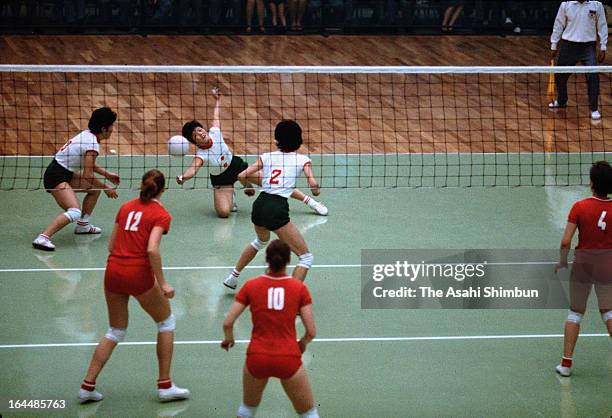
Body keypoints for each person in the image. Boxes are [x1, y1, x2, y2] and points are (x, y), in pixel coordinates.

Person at [78, 169, 190, 403]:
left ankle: (87, 386)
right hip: (137, 274)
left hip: (113, 271)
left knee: (115, 330)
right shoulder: (161, 215)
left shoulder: (126, 207)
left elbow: (111, 245)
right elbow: (151, 249)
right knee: (166, 322)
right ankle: (165, 385)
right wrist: (163, 284)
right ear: (163, 190)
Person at [177, 88, 328, 218]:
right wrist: (183, 177)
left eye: (199, 129)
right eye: (195, 134)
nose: (200, 133)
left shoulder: (215, 132)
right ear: (194, 141)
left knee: (278, 185)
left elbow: (216, 116)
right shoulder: (201, 155)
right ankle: (231, 193)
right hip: (221, 179)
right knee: (224, 213)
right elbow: (193, 170)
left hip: (238, 167)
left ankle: (312, 202)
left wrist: (217, 100)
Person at [221, 239, 319, 418]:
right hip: (288, 357)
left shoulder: (251, 286)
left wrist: (229, 339)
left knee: (246, 410)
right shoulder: (299, 289)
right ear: (288, 260)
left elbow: (228, 322)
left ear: (266, 259)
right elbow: (311, 331)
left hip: (257, 357)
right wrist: (303, 343)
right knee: (308, 413)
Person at [223, 119, 321, 289]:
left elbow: (241, 175)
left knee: (260, 241)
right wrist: (315, 190)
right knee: (306, 258)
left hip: (259, 205)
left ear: (276, 140)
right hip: (277, 208)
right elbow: (313, 185)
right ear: (299, 141)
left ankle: (233, 276)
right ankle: (291, 297)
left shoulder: (266, 157)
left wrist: (248, 188)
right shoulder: (303, 160)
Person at [32, 107, 120, 251]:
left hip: (64, 172)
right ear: (104, 129)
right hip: (56, 177)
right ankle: (43, 238)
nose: (112, 129)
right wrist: (107, 188)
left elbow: (87, 164)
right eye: (111, 126)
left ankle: (83, 226)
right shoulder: (92, 145)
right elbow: (88, 175)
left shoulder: (87, 135)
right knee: (74, 211)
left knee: (94, 190)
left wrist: (107, 174)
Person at [554, 161, 612, 377]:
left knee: (575, 313)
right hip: (607, 266)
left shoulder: (580, 207)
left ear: (591, 183)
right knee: (608, 312)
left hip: (583, 267)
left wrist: (562, 261)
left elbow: (565, 240)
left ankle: (566, 365)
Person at [549, 0, 608, 120]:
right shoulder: (566, 4)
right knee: (560, 76)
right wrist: (554, 45)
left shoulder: (597, 5)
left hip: (588, 47)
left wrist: (603, 47)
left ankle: (594, 109)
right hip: (568, 46)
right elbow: (558, 24)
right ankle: (561, 101)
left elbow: (602, 25)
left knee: (593, 77)